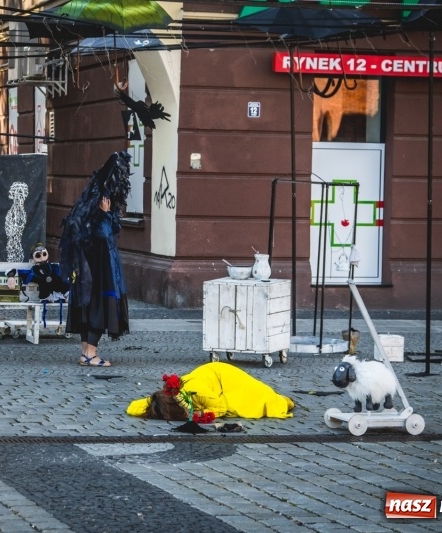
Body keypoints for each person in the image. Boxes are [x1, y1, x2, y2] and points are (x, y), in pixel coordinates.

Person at [61, 152, 132, 367]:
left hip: (90, 267)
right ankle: (91, 355)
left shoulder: (90, 197)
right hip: (100, 268)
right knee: (99, 307)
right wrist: (106, 214)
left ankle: (86, 353)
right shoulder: (101, 200)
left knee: (90, 306)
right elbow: (103, 234)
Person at [126, 362, 295, 421]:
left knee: (262, 401)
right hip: (209, 379)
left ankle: (281, 398)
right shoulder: (164, 398)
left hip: (226, 378)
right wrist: (148, 406)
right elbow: (133, 407)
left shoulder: (198, 393)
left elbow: (220, 408)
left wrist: (198, 414)